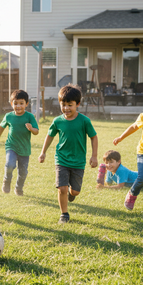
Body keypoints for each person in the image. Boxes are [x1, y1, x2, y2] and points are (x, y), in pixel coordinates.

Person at [39, 84, 98, 223]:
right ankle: (64, 214)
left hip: (78, 161)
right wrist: (43, 152)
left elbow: (93, 137)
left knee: (75, 191)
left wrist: (94, 155)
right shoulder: (57, 121)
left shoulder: (84, 121)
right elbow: (50, 136)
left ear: (77, 104)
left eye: (69, 105)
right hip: (62, 159)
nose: (66, 108)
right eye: (63, 105)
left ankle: (72, 195)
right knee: (62, 188)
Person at [0, 90, 39, 196]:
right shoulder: (9, 116)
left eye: (21, 103)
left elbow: (36, 132)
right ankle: (6, 180)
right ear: (11, 103)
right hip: (11, 146)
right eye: (15, 103)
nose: (18, 106)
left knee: (23, 172)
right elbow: (1, 127)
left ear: (26, 104)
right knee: (9, 165)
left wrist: (31, 128)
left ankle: (18, 188)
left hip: (24, 149)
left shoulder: (29, 117)